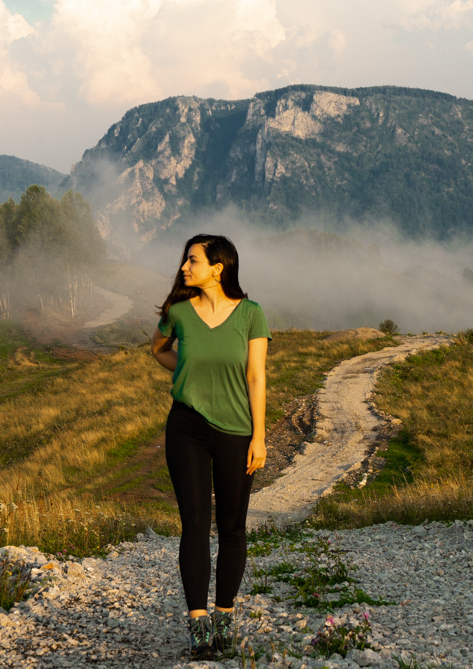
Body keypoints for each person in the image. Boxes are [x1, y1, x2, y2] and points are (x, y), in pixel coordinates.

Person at [150, 234, 270, 659]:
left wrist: (259, 435)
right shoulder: (180, 313)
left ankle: (224, 616)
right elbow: (158, 349)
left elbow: (256, 377)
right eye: (185, 260)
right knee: (195, 525)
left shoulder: (251, 315)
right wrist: (185, 368)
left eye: (192, 260)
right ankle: (199, 625)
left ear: (219, 268)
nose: (184, 267)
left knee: (233, 528)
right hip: (187, 427)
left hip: (238, 431)